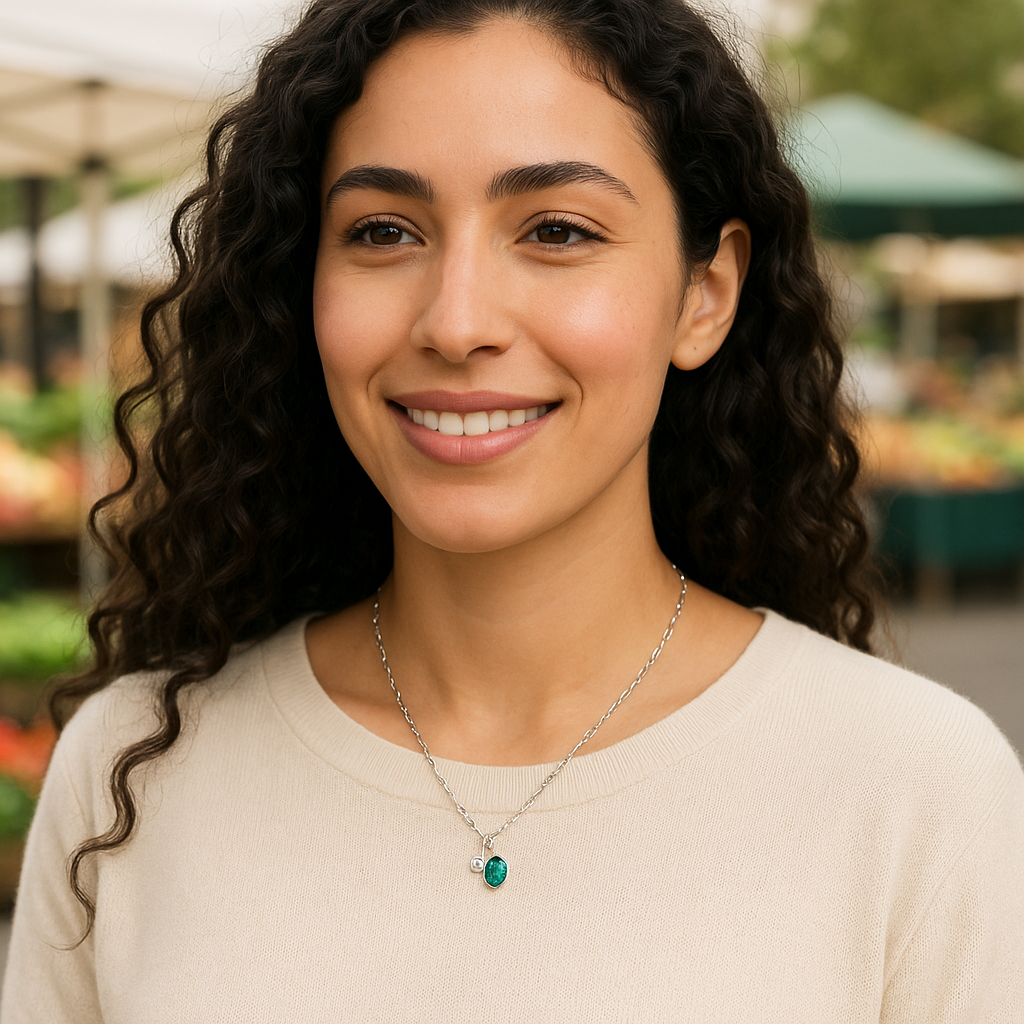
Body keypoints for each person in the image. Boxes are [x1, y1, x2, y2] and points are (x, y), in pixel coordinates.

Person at [3, 0, 1023, 1019]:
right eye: (383, 230)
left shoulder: (916, 790)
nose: (456, 322)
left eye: (557, 230)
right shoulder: (130, 773)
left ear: (702, 294)